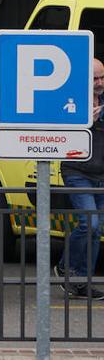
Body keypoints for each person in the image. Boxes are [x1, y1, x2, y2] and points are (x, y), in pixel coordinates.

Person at [56, 57, 104, 300]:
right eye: (94, 78)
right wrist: (87, 122)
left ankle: (75, 274)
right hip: (77, 172)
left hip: (101, 175)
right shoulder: (71, 100)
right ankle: (72, 273)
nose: (99, 83)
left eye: (102, 77)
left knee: (95, 231)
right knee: (90, 224)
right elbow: (59, 133)